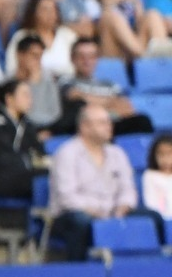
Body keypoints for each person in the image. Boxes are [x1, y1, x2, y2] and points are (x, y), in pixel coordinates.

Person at [48, 104, 165, 261]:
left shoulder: (117, 153)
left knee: (153, 217)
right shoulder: (67, 153)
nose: (109, 126)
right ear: (85, 127)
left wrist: (123, 207)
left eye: (109, 122)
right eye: (103, 123)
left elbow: (128, 189)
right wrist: (97, 212)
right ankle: (79, 273)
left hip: (114, 211)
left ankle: (158, 266)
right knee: (81, 222)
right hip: (74, 214)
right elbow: (67, 197)